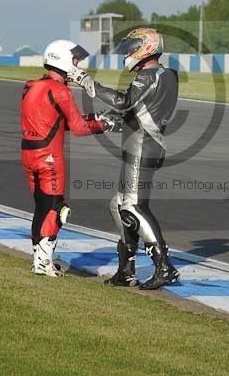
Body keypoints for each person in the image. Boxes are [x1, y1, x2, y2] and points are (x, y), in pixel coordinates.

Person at [69, 27, 180, 290]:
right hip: (144, 143)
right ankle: (126, 270)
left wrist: (85, 81)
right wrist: (111, 122)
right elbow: (141, 111)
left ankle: (165, 266)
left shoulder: (149, 75)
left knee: (132, 207)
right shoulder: (166, 75)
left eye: (133, 47)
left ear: (147, 47)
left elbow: (124, 102)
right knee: (119, 204)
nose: (128, 53)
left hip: (142, 147)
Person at [21, 39, 118, 276]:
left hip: (28, 154)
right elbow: (78, 128)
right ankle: (43, 263)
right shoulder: (61, 90)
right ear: (62, 59)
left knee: (42, 208)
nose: (77, 64)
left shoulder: (32, 86)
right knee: (56, 209)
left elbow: (56, 121)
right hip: (50, 158)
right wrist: (104, 124)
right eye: (74, 60)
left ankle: (40, 260)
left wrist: (96, 118)